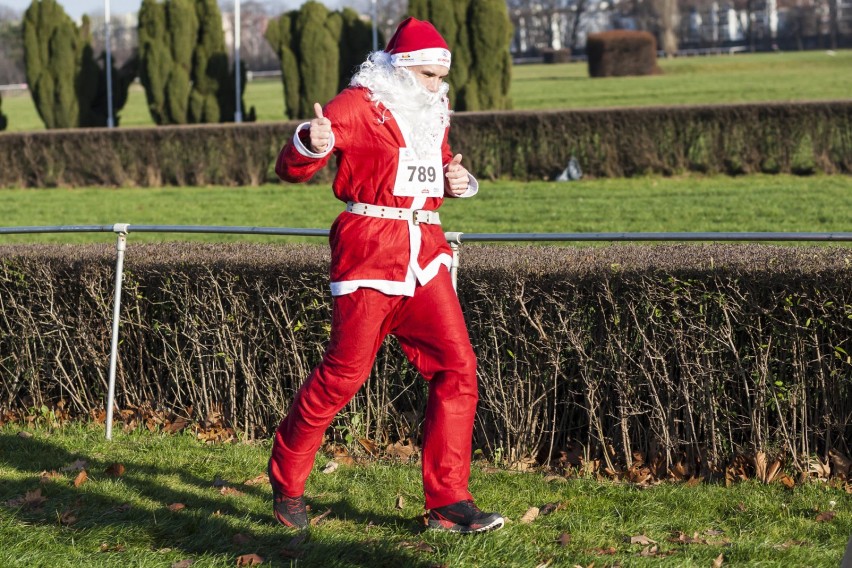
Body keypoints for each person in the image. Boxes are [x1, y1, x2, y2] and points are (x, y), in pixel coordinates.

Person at [267, 17, 504, 534]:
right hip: (370, 253)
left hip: (425, 254)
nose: (437, 88)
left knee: (458, 367)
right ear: (399, 69)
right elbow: (293, 168)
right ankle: (287, 481)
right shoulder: (356, 103)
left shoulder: (432, 111)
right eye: (427, 76)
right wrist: (312, 139)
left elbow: (435, 165)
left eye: (440, 78)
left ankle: (448, 502)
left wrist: (457, 180)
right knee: (344, 376)